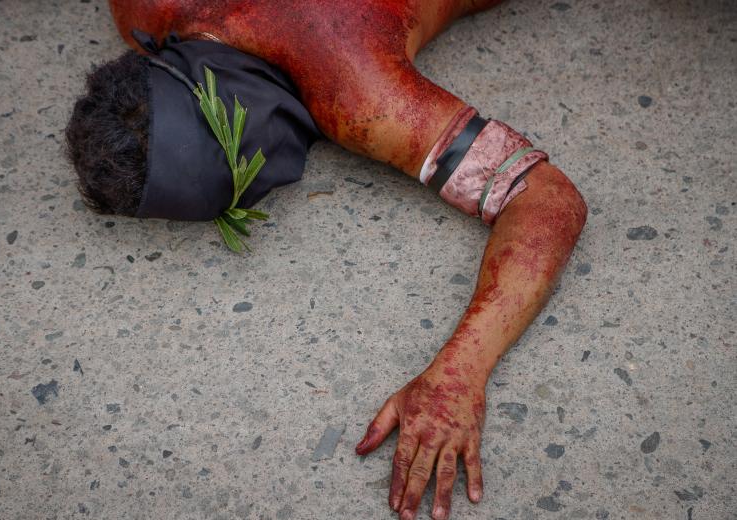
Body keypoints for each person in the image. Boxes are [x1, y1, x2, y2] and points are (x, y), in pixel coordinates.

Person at [65, 1, 587, 519]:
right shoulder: (138, 12)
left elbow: (544, 198)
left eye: (242, 182)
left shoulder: (358, 95)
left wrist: (459, 373)